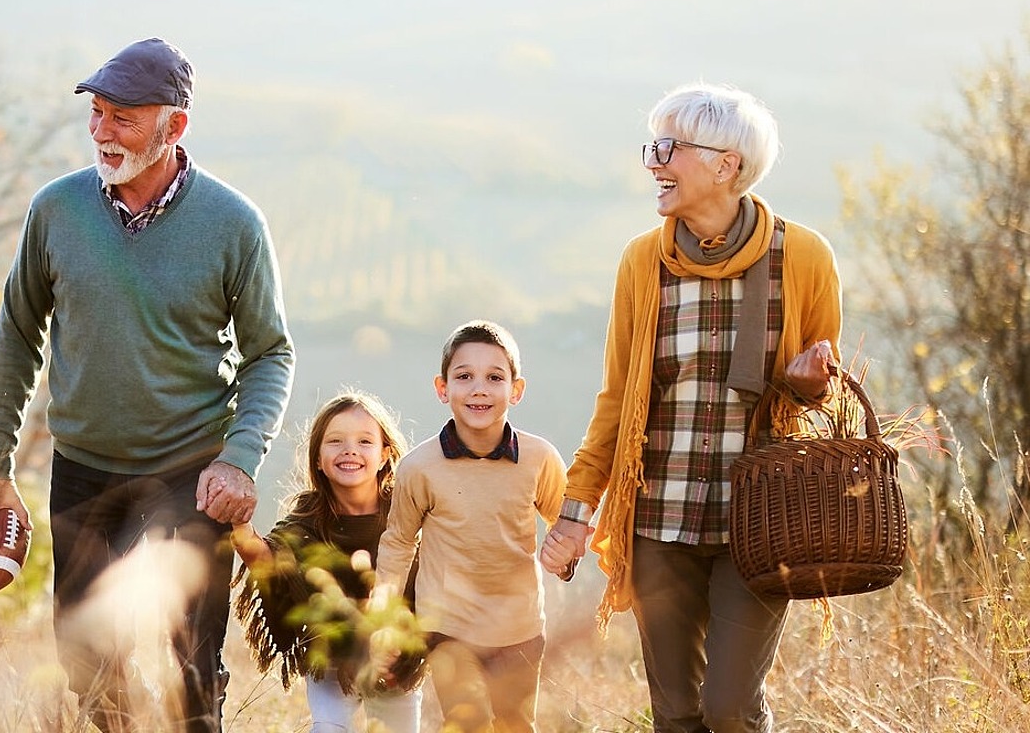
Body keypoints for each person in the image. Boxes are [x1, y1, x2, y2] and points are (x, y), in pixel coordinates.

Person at [0, 37, 295, 732]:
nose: (102, 133)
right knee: (84, 654)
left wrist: (239, 458)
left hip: (190, 469)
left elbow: (270, 354)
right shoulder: (55, 210)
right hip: (84, 467)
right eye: (98, 113)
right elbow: (17, 334)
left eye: (123, 118)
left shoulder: (234, 224)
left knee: (192, 659)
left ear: (175, 126)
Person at [536, 82, 841, 733]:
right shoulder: (644, 262)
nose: (653, 162)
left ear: (726, 165)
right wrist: (574, 513)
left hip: (758, 524)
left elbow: (824, 389)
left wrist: (809, 382)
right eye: (653, 145)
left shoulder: (805, 257)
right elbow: (617, 399)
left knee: (729, 708)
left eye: (668, 148)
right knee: (676, 714)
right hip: (659, 525)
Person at [375, 320, 567, 732]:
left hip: (519, 626)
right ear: (442, 388)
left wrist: (565, 556)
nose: (479, 388)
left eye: (494, 377)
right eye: (464, 377)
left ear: (515, 390)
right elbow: (398, 542)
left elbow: (564, 524)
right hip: (448, 626)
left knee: (515, 723)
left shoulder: (540, 459)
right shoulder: (420, 468)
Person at [230, 391, 421, 733]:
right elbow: (271, 560)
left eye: (365, 441)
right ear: (318, 458)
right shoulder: (308, 518)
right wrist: (242, 528)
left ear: (384, 456)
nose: (350, 450)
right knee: (329, 729)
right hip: (331, 657)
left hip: (396, 658)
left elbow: (432, 578)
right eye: (335, 441)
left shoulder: (406, 515)